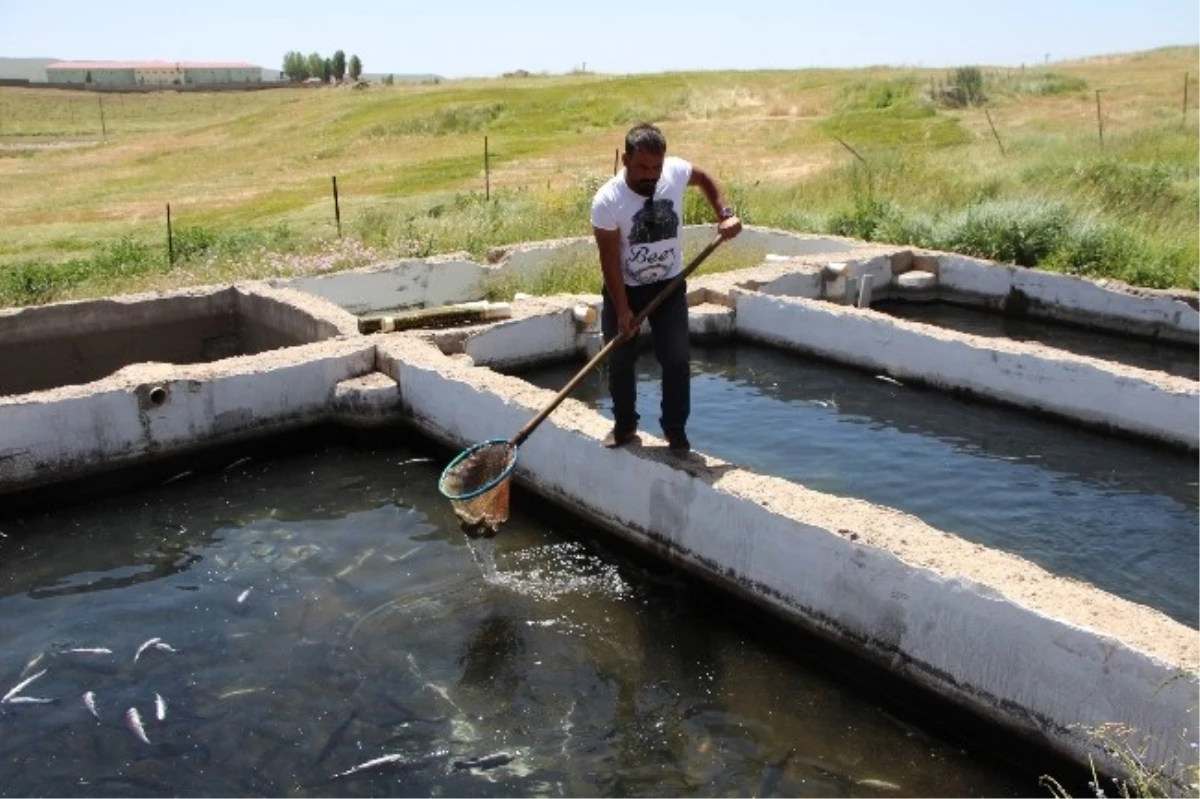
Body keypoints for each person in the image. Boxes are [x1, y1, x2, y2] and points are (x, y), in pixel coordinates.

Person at [590, 123, 742, 455]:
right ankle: (625, 425)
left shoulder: (672, 173)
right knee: (620, 360)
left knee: (675, 359)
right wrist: (624, 310)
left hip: (670, 284)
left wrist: (725, 213)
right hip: (625, 288)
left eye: (656, 167)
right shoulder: (607, 201)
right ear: (626, 159)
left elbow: (703, 178)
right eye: (642, 167)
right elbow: (610, 261)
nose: (651, 175)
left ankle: (675, 432)